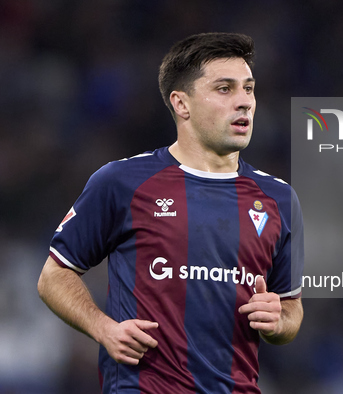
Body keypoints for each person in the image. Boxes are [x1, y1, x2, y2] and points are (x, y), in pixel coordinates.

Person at [37, 32, 304, 394]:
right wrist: (103, 328)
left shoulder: (279, 199)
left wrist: (278, 321)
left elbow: (291, 308)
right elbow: (54, 275)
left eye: (248, 88)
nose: (244, 102)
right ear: (181, 103)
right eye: (225, 89)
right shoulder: (123, 182)